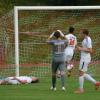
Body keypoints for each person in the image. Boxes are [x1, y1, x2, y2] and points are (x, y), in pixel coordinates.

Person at [75, 29, 100, 93]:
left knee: (81, 73)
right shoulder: (85, 40)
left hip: (85, 58)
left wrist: (81, 49)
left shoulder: (88, 39)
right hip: (84, 58)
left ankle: (81, 90)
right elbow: (85, 49)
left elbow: (90, 50)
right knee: (82, 73)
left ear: (84, 33)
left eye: (81, 33)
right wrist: (78, 48)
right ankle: (96, 82)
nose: (80, 34)